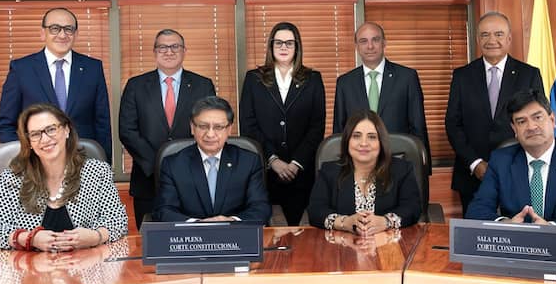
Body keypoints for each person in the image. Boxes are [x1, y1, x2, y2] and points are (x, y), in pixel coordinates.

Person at [0, 103, 129, 250]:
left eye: (51, 129)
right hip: (30, 268)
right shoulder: (13, 178)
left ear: (66, 130)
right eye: (35, 134)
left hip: (85, 266)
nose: (45, 139)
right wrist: (29, 239)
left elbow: (118, 221)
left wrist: (95, 237)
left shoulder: (97, 172)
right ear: (29, 142)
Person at [466, 89, 556, 238]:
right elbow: (476, 210)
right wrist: (505, 224)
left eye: (538, 117)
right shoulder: (501, 160)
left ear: (552, 120)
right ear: (514, 129)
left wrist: (552, 228)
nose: (531, 127)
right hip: (517, 247)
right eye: (522, 121)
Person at [446, 11, 544, 213]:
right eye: (485, 35)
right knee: (477, 236)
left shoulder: (529, 74)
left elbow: (537, 122)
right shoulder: (462, 76)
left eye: (498, 34)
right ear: (477, 39)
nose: (492, 40)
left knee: (519, 233)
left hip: (518, 170)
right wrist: (475, 163)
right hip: (472, 174)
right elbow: (453, 125)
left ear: (509, 39)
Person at [119, 29, 216, 226]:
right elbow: (127, 130)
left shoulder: (203, 85)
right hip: (147, 179)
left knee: (193, 239)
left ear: (184, 51)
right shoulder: (136, 85)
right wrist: (158, 164)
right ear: (154, 52)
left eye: (175, 47)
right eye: (162, 47)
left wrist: (181, 165)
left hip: (193, 176)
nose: (169, 51)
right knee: (150, 243)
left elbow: (210, 129)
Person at [0, 8, 112, 160]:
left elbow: (102, 124)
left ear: (76, 34)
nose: (62, 35)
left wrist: (104, 165)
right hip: (36, 164)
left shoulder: (93, 68)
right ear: (43, 33)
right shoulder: (22, 69)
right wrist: (26, 159)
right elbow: (6, 125)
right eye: (55, 29)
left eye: (68, 29)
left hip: (83, 161)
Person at [239, 22, 325, 225]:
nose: (284, 47)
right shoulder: (254, 79)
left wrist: (296, 163)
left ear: (297, 47)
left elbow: (317, 126)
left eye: (289, 43)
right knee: (267, 234)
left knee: (300, 234)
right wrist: (273, 160)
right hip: (265, 171)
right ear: (271, 46)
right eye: (278, 43)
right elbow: (248, 124)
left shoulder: (313, 79)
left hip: (301, 172)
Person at [154, 96, 271, 224]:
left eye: (218, 127)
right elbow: (164, 210)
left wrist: (231, 221)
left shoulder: (249, 161)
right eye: (203, 126)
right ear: (192, 128)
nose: (210, 134)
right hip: (191, 238)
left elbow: (260, 207)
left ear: (229, 129)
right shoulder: (173, 164)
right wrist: (198, 225)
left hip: (236, 237)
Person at [308, 110, 422, 234]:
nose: (363, 143)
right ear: (347, 141)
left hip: (390, 246)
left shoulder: (402, 170)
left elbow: (412, 208)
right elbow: (316, 211)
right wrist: (344, 222)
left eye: (372, 137)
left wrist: (386, 222)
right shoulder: (329, 171)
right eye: (356, 136)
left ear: (381, 142)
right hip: (342, 247)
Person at [333, 22, 430, 160]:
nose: (370, 46)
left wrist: (423, 167)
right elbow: (339, 131)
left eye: (375, 40)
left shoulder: (407, 77)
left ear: (384, 43)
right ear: (357, 47)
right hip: (358, 164)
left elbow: (418, 126)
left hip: (399, 162)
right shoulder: (344, 83)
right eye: (363, 41)